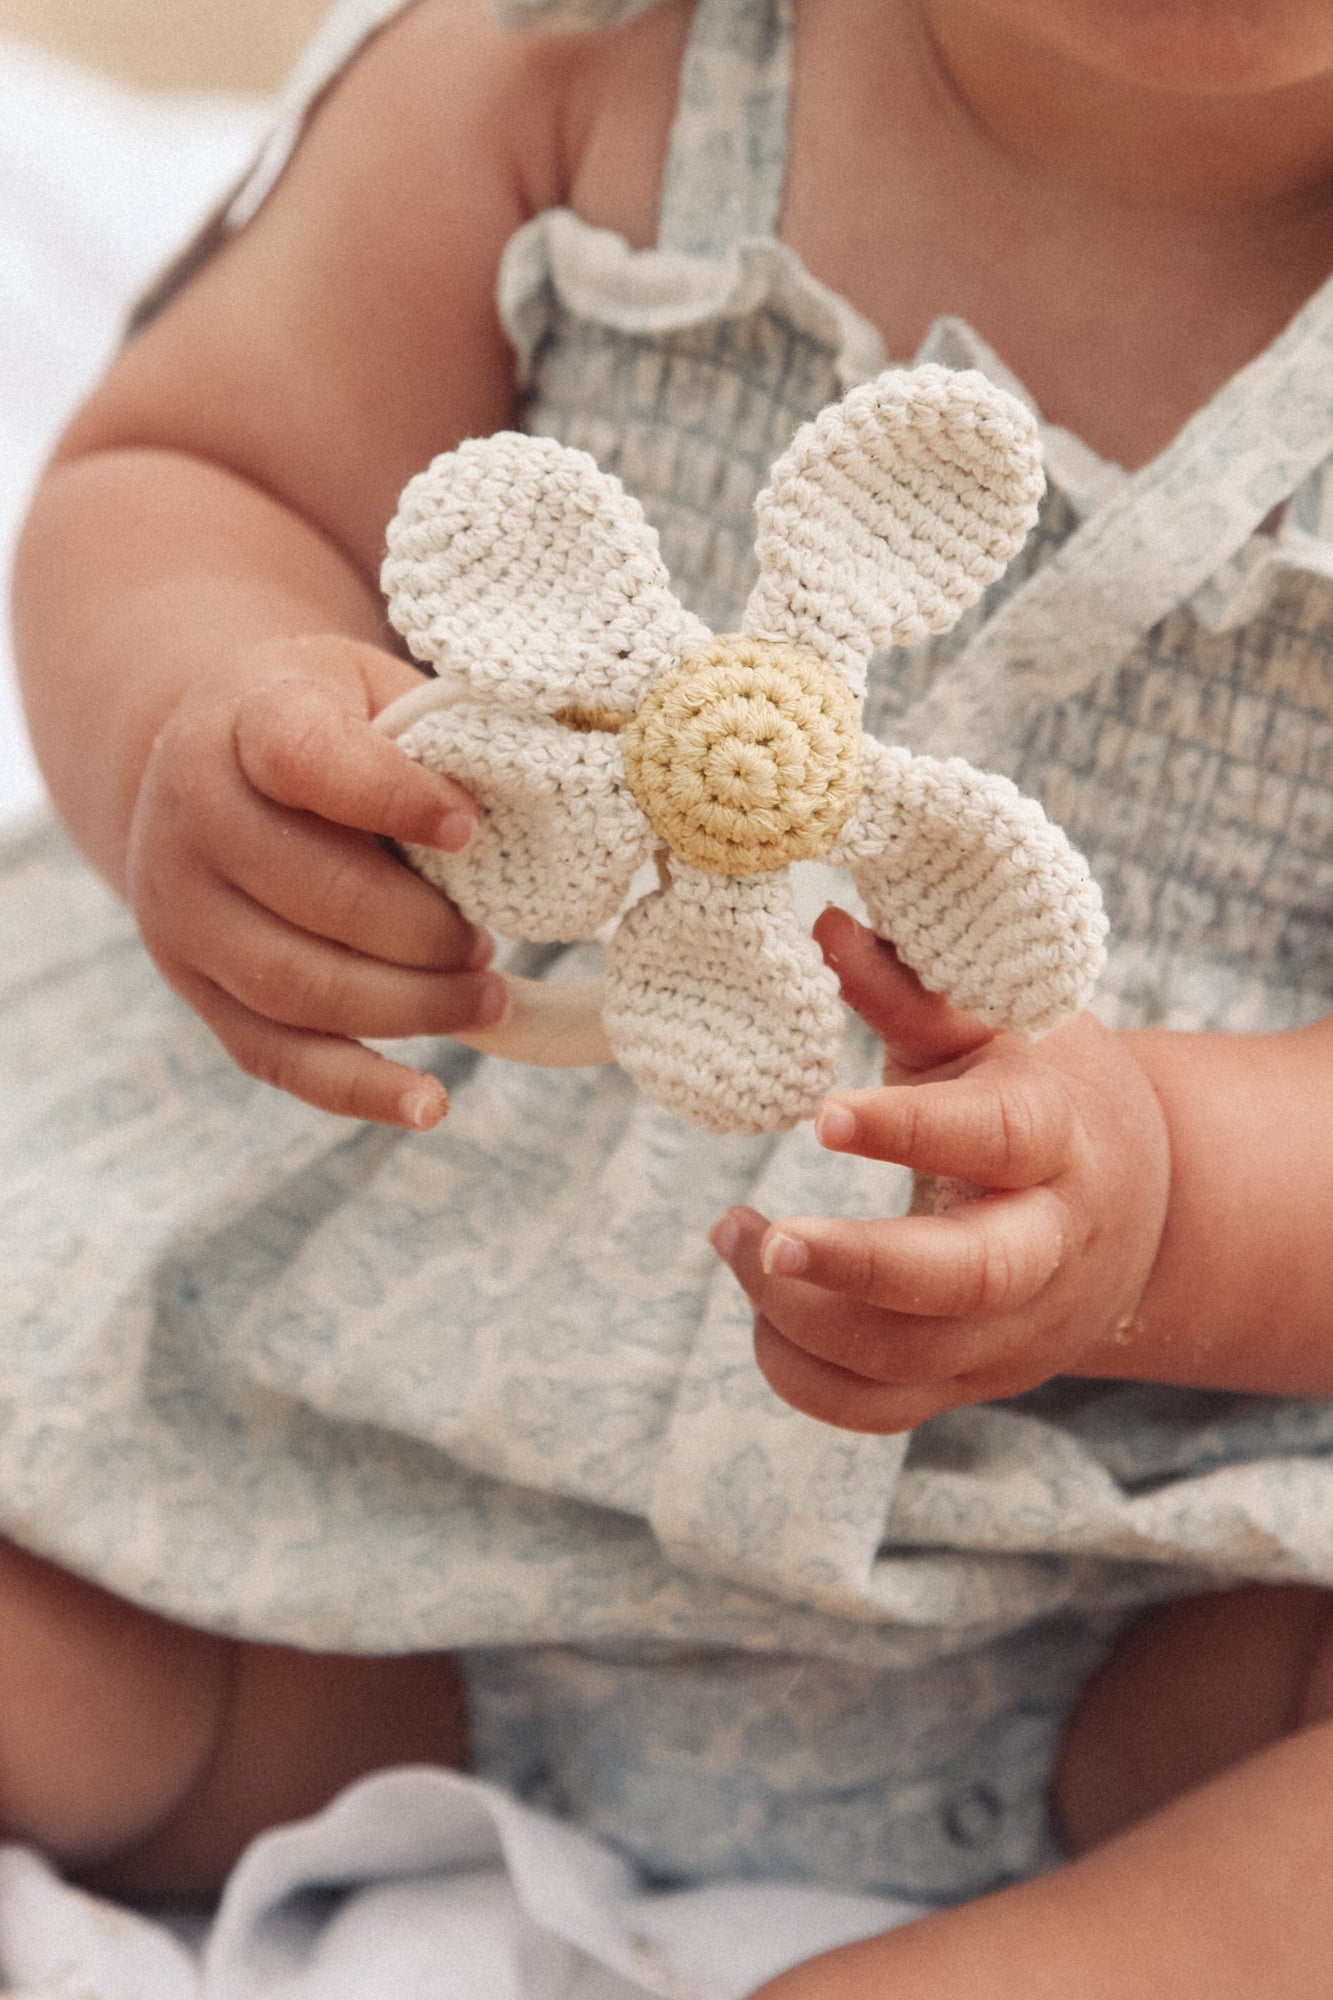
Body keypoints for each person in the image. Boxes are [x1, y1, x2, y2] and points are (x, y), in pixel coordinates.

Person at [5, 0, 1333, 1986]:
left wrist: (1168, 1202)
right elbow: (201, 468)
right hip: (332, 1480)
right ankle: (229, 1732)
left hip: (1122, 1582)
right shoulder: (572, 59)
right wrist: (210, 730)